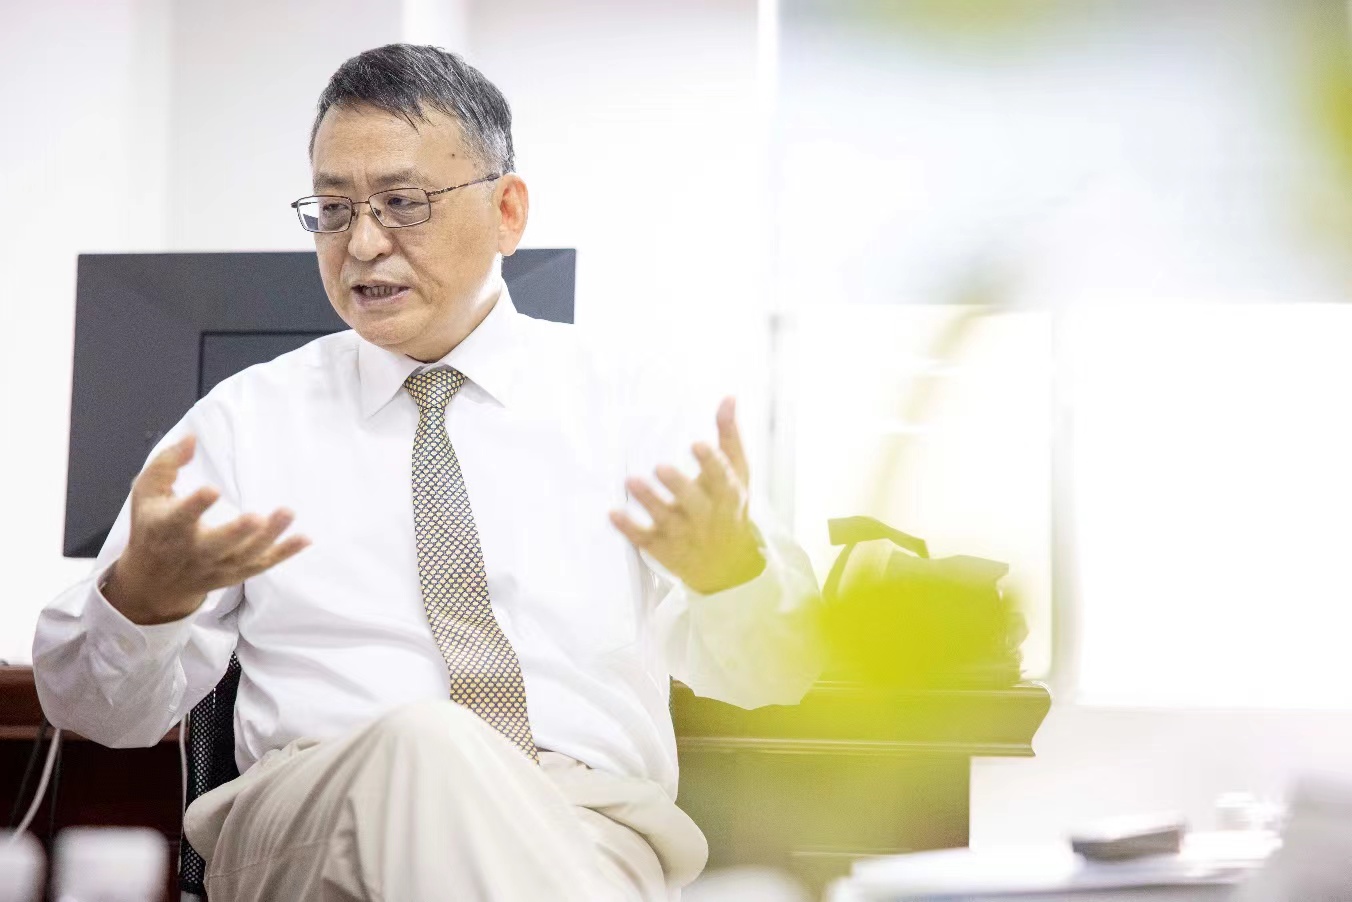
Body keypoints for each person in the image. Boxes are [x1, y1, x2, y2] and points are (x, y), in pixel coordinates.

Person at [32, 44, 821, 902]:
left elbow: (780, 675)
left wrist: (731, 575)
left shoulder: (634, 405)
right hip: (309, 825)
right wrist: (143, 598)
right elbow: (94, 713)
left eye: (403, 204)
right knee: (425, 744)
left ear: (507, 212)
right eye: (333, 210)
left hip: (584, 828)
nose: (363, 244)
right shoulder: (243, 422)